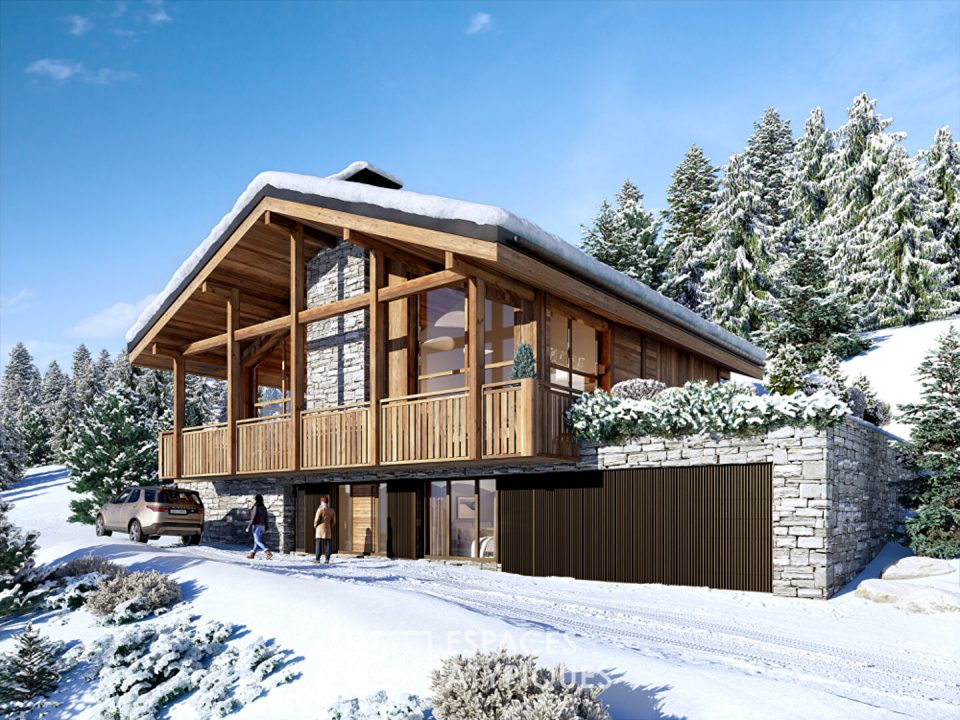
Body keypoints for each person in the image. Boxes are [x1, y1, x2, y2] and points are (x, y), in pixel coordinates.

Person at [246, 494, 271, 560]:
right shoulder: (264, 507)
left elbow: (253, 517)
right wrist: (266, 527)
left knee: (257, 540)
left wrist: (248, 526)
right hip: (262, 526)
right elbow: (266, 518)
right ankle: (252, 554)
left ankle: (267, 552)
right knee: (256, 540)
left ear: (256, 499)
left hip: (256, 526)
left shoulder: (256, 507)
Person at [314, 495, 336, 563]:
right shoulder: (331, 510)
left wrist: (315, 525)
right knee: (328, 543)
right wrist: (330, 526)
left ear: (321, 502)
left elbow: (317, 519)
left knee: (318, 543)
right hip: (328, 528)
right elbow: (334, 521)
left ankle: (317, 559)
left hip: (320, 528)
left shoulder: (320, 509)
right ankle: (327, 559)